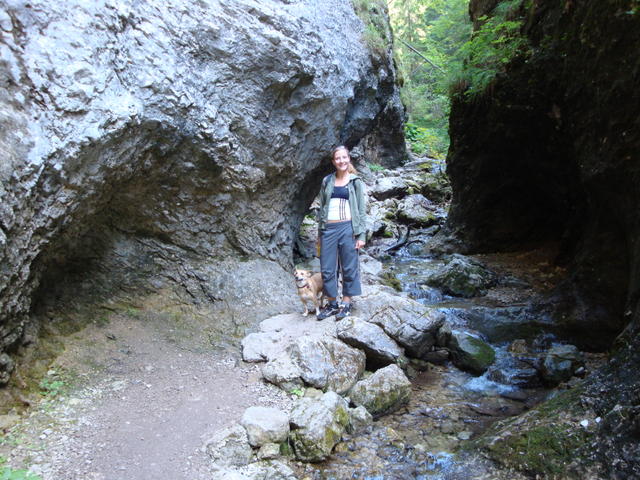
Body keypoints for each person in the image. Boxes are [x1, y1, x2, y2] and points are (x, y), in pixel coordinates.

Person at [316, 145, 367, 320]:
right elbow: (322, 208)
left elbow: (361, 210)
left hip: (348, 228)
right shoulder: (327, 181)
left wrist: (361, 235)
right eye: (338, 158)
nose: (341, 161)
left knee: (349, 267)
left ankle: (346, 303)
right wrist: (320, 234)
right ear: (333, 161)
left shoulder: (355, 181)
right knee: (327, 268)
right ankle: (332, 304)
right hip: (328, 229)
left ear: (349, 159)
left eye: (344, 157)